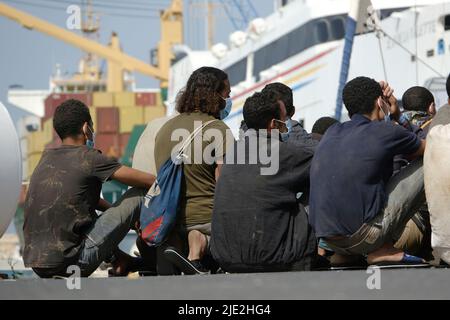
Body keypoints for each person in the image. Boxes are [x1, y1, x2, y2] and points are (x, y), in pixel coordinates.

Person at [23, 99, 156, 278]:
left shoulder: (45, 159)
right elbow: (148, 181)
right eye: (92, 127)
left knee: (84, 214)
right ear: (86, 128)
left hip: (37, 264)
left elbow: (87, 200)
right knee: (138, 195)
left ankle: (120, 260)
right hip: (73, 263)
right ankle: (155, 255)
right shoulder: (89, 158)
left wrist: (123, 219)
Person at [309, 76, 427, 266]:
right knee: (427, 162)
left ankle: (347, 255)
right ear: (380, 102)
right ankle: (382, 249)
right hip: (366, 238)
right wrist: (398, 116)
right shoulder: (386, 130)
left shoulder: (332, 132)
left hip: (330, 241)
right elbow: (431, 147)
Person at [210, 89, 318, 273]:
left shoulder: (232, 153)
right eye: (285, 121)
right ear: (272, 124)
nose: (287, 126)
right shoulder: (283, 152)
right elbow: (330, 161)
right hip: (273, 256)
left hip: (225, 256)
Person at [152, 67, 234, 275]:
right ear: (215, 95)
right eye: (227, 94)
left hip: (168, 218)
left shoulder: (165, 129)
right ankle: (200, 242)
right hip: (206, 217)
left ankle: (178, 242)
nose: (229, 99)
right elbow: (226, 181)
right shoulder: (218, 129)